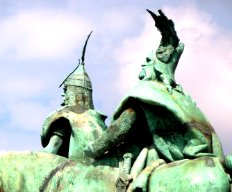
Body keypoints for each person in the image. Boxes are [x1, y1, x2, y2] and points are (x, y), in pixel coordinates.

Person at [84, 10, 223, 163]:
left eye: (148, 60)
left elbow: (121, 128)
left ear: (156, 67)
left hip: (163, 153)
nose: (143, 64)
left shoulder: (147, 91)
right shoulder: (180, 96)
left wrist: (93, 149)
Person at [41, 32, 108, 162]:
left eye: (66, 90)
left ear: (76, 92)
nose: (63, 94)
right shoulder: (99, 123)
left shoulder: (67, 118)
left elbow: (49, 152)